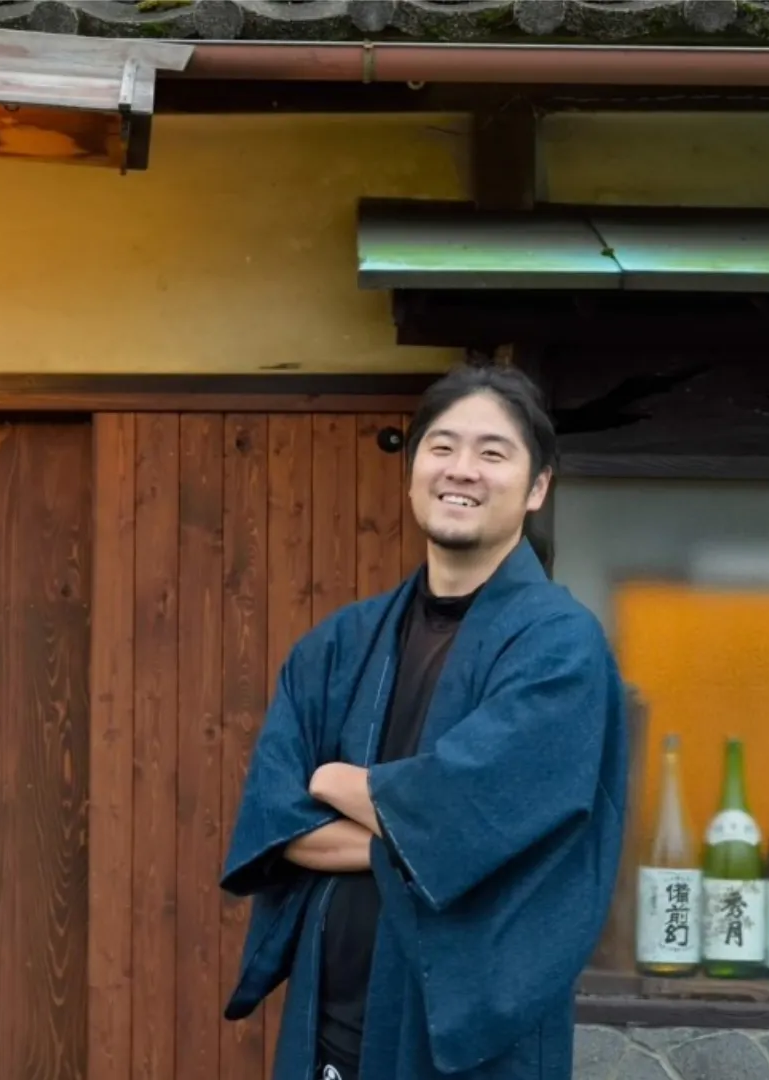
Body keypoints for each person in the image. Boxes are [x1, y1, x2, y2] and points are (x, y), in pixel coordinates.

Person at [220, 363, 628, 1080]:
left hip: (476, 1049)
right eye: (441, 447)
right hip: (333, 1024)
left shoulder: (561, 646)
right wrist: (419, 844)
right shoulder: (338, 645)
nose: (461, 469)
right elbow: (276, 820)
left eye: (493, 452)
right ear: (412, 471)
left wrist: (337, 781)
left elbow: (477, 811)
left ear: (537, 487)